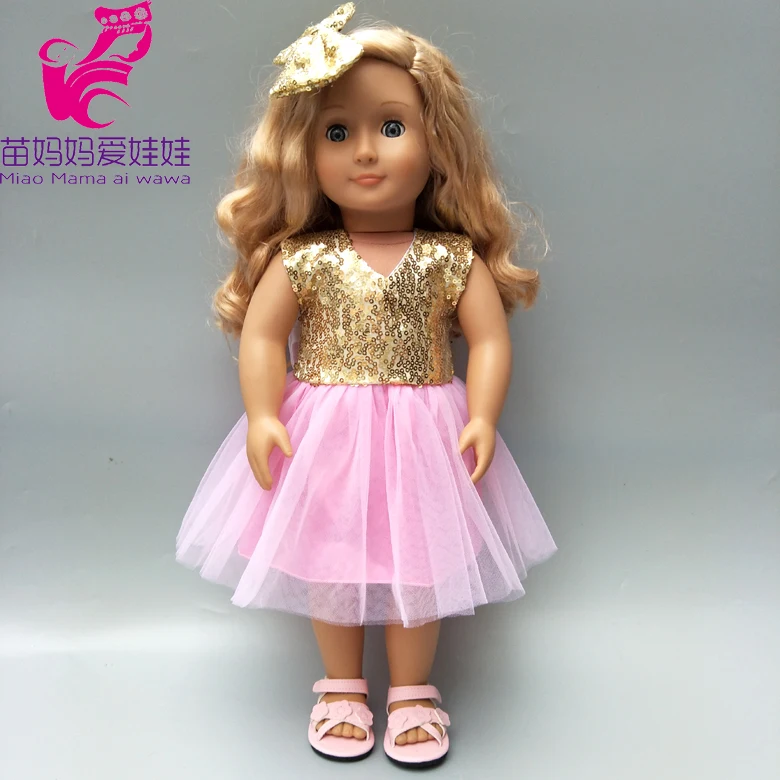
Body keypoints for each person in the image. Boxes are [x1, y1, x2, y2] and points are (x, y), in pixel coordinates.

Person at [175, 3, 557, 767]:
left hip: (426, 431)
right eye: (337, 133)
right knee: (332, 557)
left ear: (437, 142)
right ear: (304, 153)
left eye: (391, 126)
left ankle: (413, 690)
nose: (365, 153)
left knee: (421, 556)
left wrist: (483, 414)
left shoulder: (450, 258)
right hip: (325, 430)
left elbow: (489, 340)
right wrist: (262, 413)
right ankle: (342, 686)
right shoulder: (304, 258)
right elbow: (262, 337)